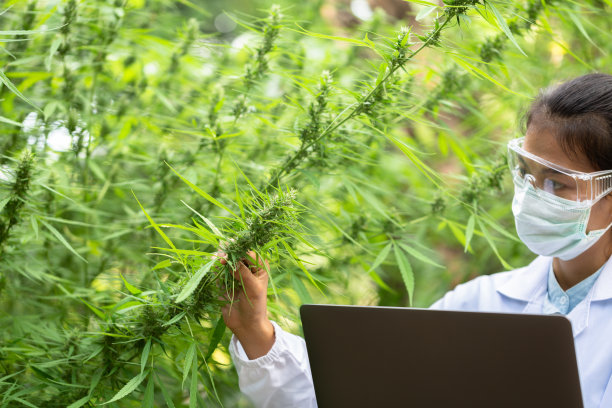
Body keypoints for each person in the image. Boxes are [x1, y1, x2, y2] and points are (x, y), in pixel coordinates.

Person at [217, 73, 612, 408]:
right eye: (526, 173)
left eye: (557, 184)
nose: (532, 193)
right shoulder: (478, 305)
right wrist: (256, 332)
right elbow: (361, 395)